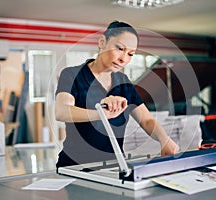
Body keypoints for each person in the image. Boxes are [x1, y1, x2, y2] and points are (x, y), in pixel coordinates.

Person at [55, 21, 179, 168]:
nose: (124, 59)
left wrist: (164, 139)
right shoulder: (71, 74)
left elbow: (146, 120)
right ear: (102, 42)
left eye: (130, 54)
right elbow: (62, 112)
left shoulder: (124, 82)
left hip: (113, 167)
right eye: (120, 48)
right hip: (74, 166)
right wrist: (102, 113)